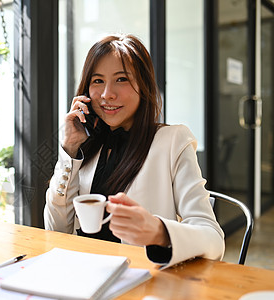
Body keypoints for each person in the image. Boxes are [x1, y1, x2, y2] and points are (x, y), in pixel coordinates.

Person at [44, 33, 225, 268]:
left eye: (121, 79)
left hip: (140, 281)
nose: (107, 93)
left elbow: (213, 239)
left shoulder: (171, 141)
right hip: (83, 274)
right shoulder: (87, 147)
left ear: (144, 85)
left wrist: (159, 232)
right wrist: (69, 150)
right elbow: (55, 229)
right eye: (97, 81)